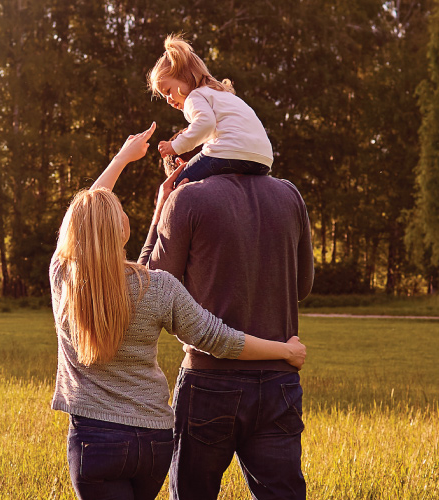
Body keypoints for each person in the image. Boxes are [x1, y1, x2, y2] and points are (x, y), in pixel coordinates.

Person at [50, 122, 307, 500]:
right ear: (122, 229)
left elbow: (87, 214)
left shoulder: (64, 279)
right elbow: (217, 337)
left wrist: (123, 158)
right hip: (153, 442)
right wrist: (284, 350)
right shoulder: (156, 289)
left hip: (95, 441)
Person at [138, 116, 315, 498]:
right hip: (279, 380)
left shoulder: (186, 199)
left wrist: (162, 209)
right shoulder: (290, 195)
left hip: (209, 381)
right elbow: (302, 287)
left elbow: (149, 289)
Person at [149, 35, 273, 186]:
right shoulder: (221, 95)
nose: (168, 100)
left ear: (185, 77)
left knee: (180, 182)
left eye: (168, 91)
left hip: (230, 151)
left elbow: (205, 124)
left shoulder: (194, 97)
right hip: (263, 158)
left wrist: (174, 146)